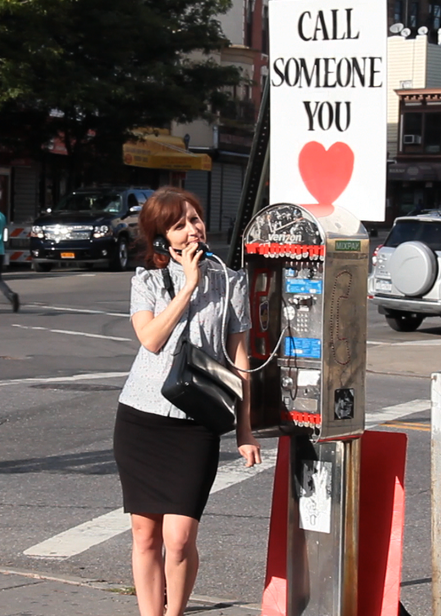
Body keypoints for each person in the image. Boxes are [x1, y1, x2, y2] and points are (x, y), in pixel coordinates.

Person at [114, 186, 261, 616]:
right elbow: (151, 340)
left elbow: (241, 359)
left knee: (179, 539)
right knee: (144, 534)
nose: (192, 230)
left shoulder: (231, 281)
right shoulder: (146, 281)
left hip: (196, 421)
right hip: (141, 418)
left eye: (195, 219)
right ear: (162, 237)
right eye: (179, 225)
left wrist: (244, 430)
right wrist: (187, 287)